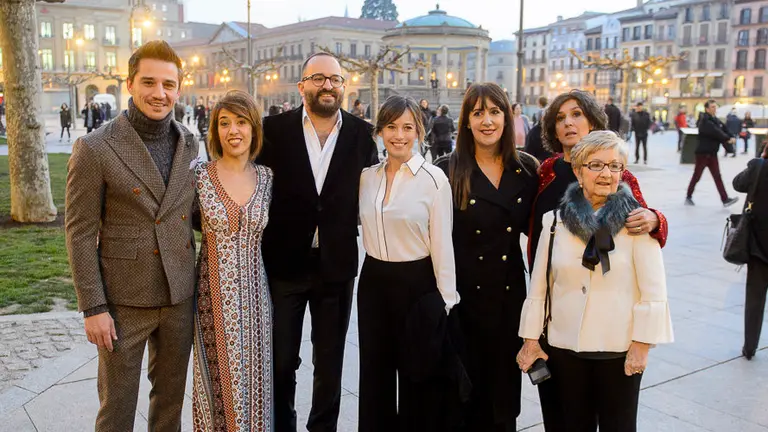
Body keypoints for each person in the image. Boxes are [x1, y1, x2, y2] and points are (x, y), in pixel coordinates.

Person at [65, 40, 198, 431]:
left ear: (179, 87)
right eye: (150, 82)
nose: (160, 93)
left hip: (179, 294)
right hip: (122, 301)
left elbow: (190, 211)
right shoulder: (95, 147)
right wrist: (93, 307)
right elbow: (79, 231)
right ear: (130, 83)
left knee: (170, 403)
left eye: (169, 84)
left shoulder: (189, 141)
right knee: (117, 409)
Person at [528, 90, 668, 432]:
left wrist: (656, 220)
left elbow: (643, 232)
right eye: (560, 118)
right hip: (558, 314)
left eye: (576, 114)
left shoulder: (621, 185)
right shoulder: (544, 172)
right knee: (562, 418)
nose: (568, 123)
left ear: (592, 120)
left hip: (610, 330)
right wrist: (531, 333)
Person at [257, 52, 378, 432]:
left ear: (344, 86)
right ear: (302, 86)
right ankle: (283, 425)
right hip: (285, 265)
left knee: (330, 362)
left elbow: (373, 195)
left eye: (335, 79)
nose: (327, 85)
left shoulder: (362, 134)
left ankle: (322, 427)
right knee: (281, 360)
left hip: (336, 267)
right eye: (318, 78)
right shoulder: (272, 130)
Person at [358, 95, 465, 431]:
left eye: (407, 127)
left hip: (417, 285)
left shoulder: (434, 180)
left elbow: (443, 244)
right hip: (374, 282)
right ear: (379, 131)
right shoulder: (367, 178)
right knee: (374, 378)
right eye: (391, 126)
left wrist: (446, 302)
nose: (399, 135)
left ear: (420, 131)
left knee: (417, 380)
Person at [436, 82, 539, 431]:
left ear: (507, 118)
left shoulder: (526, 169)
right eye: (478, 112)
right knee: (464, 396)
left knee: (503, 397)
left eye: (495, 111)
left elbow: (553, 223)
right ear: (465, 121)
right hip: (461, 303)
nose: (487, 120)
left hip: (510, 299)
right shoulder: (446, 170)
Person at [192, 90, 274, 430]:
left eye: (241, 122)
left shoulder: (267, 177)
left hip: (257, 297)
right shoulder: (199, 175)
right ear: (215, 130)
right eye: (224, 123)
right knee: (217, 392)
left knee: (256, 388)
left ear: (254, 128)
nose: (233, 131)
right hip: (212, 299)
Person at [733, 143, 768, 361]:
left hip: (758, 247)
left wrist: (758, 160)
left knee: (754, 299)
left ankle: (750, 347)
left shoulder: (759, 166)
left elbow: (738, 183)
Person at [685, 99, 740, 207]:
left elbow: (724, 128)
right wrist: (728, 138)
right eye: (712, 107)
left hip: (712, 153)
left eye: (715, 107)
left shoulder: (715, 119)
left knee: (717, 176)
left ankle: (725, 199)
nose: (715, 109)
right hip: (703, 154)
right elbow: (716, 132)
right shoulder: (704, 121)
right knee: (697, 176)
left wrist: (731, 136)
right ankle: (688, 196)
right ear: (707, 109)